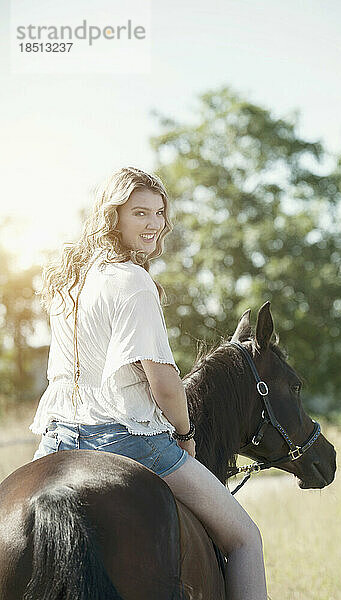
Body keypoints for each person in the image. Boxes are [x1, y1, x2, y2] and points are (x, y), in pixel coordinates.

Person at [30, 166, 268, 599]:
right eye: (140, 213)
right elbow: (165, 383)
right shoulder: (133, 281)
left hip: (58, 439)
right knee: (245, 539)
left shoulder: (67, 279)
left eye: (159, 213)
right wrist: (185, 434)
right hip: (125, 440)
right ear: (113, 216)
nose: (154, 224)